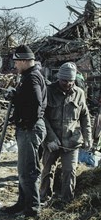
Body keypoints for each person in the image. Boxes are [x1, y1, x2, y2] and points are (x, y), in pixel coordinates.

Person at [3, 45, 47, 218]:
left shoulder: (32, 78)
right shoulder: (28, 76)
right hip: (29, 127)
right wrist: (16, 98)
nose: (15, 66)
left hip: (31, 129)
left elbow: (36, 103)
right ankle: (22, 203)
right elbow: (27, 100)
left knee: (28, 170)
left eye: (16, 62)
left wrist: (26, 122)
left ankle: (33, 209)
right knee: (23, 169)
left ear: (23, 60)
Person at [40, 62, 92, 205]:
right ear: (58, 78)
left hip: (72, 141)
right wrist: (50, 138)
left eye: (71, 81)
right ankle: (44, 198)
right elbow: (42, 116)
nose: (67, 84)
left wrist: (88, 138)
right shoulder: (49, 91)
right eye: (64, 80)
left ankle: (66, 201)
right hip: (52, 141)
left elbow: (84, 116)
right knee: (48, 170)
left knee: (69, 171)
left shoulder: (79, 93)